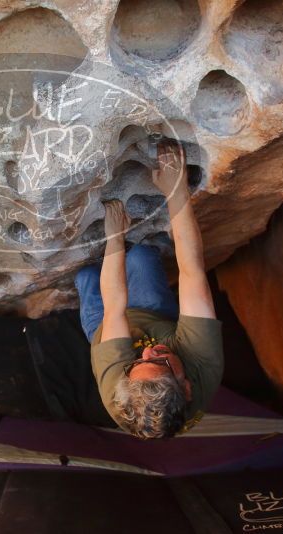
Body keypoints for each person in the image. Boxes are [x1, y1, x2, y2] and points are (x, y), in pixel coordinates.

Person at [74, 140, 224, 438]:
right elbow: (192, 272)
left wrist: (114, 237)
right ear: (186, 386)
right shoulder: (203, 366)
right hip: (153, 315)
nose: (147, 353)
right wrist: (176, 189)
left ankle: (114, 259)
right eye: (159, 361)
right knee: (141, 256)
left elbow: (114, 307)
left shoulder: (117, 388)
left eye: (136, 365)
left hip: (105, 329)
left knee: (86, 278)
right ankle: (141, 254)